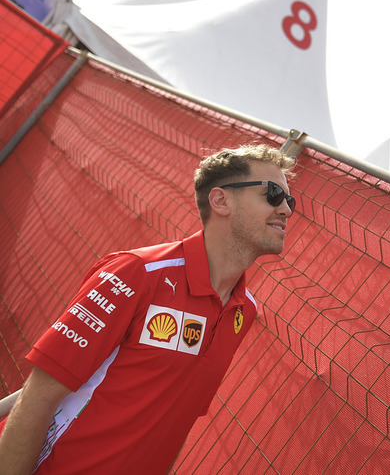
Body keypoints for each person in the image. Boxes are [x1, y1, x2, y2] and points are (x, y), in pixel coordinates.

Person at [0, 143, 296, 474]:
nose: (285, 209)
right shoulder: (135, 273)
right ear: (221, 200)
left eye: (289, 200)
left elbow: (174, 422)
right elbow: (38, 396)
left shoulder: (244, 311)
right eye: (272, 194)